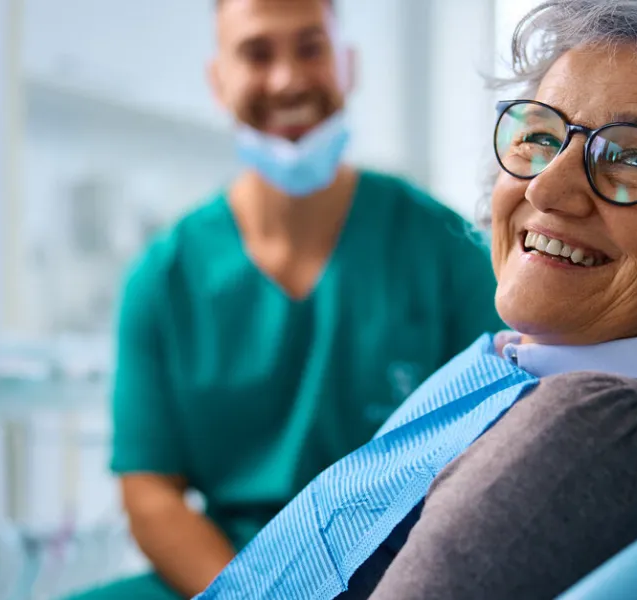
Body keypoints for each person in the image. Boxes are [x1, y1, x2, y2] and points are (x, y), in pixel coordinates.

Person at [198, 0, 637, 598]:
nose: (548, 188)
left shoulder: (604, 426)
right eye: (541, 137)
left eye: (632, 157)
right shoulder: (546, 379)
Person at [67, 0, 502, 598]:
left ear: (348, 65)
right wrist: (247, 593)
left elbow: (496, 456)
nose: (288, 79)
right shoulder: (164, 278)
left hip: (402, 566)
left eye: (310, 48)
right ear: (218, 80)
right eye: (257, 53)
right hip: (223, 571)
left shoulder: (445, 251)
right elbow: (150, 491)